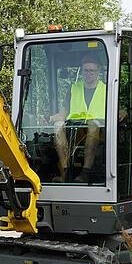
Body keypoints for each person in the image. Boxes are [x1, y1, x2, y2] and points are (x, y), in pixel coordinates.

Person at [50, 55, 108, 183]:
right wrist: (51, 118)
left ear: (98, 72)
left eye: (91, 71)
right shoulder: (73, 88)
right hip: (76, 129)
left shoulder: (107, 90)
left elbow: (118, 110)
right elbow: (63, 114)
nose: (88, 73)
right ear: (82, 71)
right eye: (85, 70)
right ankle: (66, 170)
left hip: (100, 130)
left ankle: (85, 172)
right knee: (58, 126)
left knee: (93, 126)